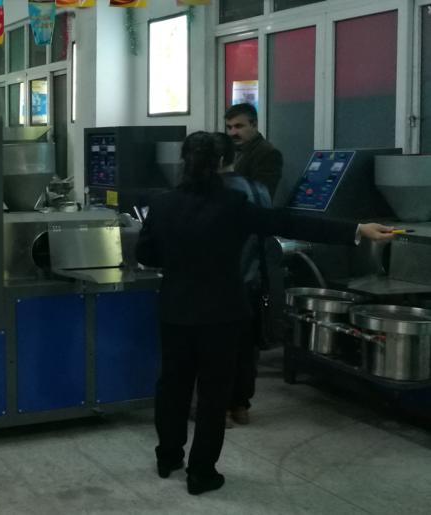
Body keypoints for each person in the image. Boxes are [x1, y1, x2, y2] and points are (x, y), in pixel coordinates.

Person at [135, 131, 394, 496]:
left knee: (172, 386)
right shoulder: (233, 204)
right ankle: (201, 474)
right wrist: (356, 229)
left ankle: (168, 457)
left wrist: (177, 259)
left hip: (176, 312)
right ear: (223, 163)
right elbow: (289, 223)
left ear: (183, 160)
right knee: (213, 395)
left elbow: (145, 255)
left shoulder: (162, 205)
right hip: (223, 315)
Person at [214, 132, 271, 427]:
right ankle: (241, 406)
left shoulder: (215, 193)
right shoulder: (259, 189)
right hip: (252, 281)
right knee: (246, 349)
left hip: (219, 284)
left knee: (217, 349)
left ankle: (219, 408)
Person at [225, 103, 283, 198]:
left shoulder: (268, 153)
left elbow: (262, 196)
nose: (232, 133)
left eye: (238, 126)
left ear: (254, 125)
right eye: (229, 127)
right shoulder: (229, 149)